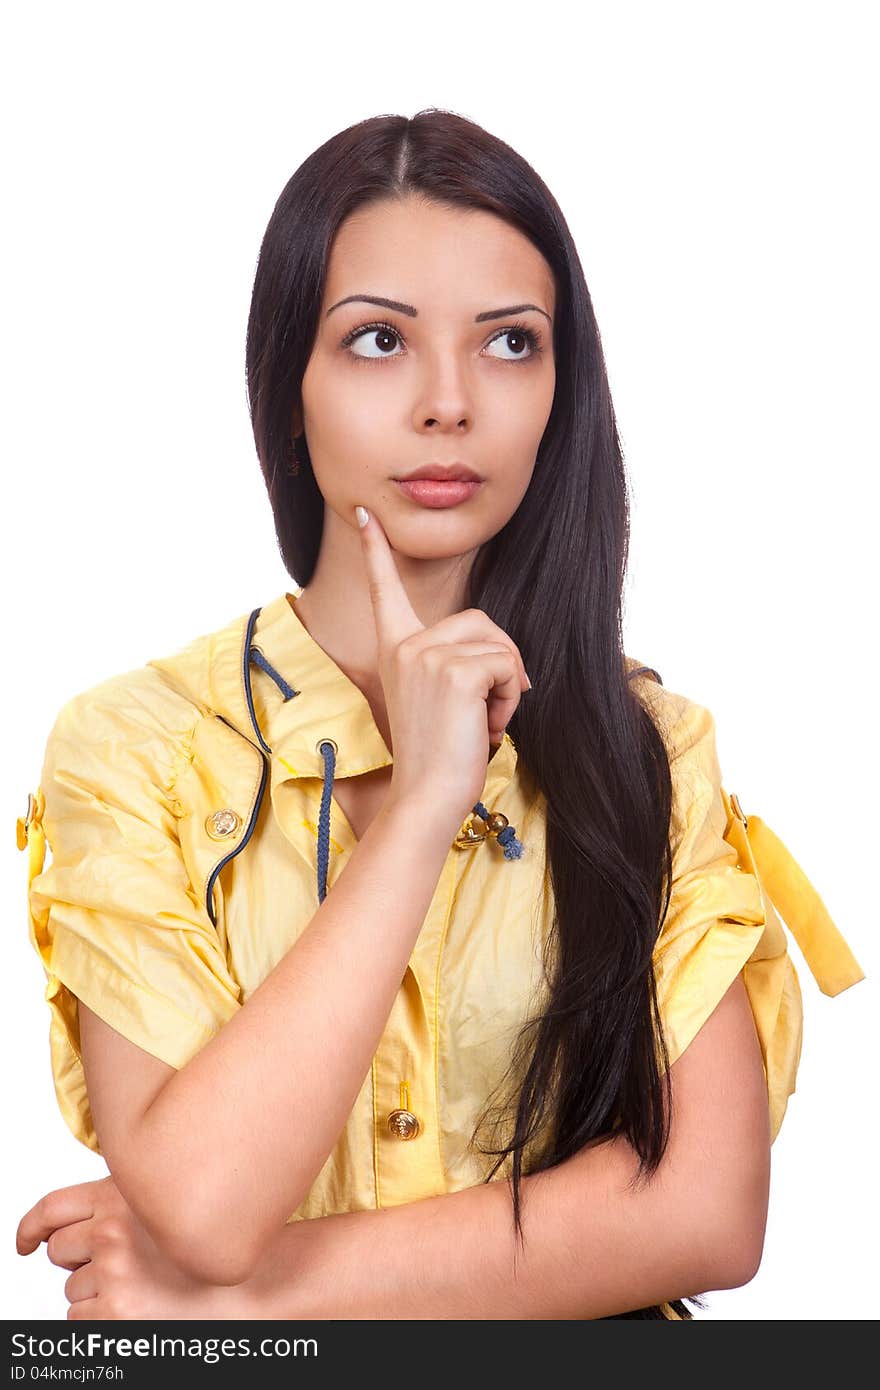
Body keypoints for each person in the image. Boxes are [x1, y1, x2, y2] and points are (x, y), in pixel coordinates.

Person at [15, 108, 864, 1321]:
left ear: (561, 389)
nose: (449, 403)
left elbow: (708, 1212)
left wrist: (246, 1305)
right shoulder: (135, 749)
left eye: (510, 344)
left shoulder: (647, 745)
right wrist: (420, 808)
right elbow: (205, 1198)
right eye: (377, 341)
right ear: (285, 386)